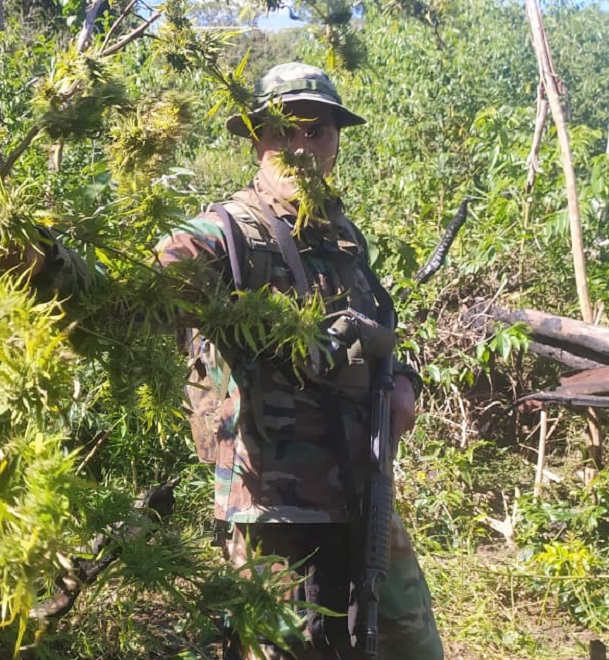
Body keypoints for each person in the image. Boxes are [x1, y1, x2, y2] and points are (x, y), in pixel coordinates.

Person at [27, 62, 443, 660]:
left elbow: (374, 325)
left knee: (406, 645)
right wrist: (45, 266)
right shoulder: (224, 233)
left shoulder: (341, 233)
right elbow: (133, 304)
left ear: (336, 141)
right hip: (273, 504)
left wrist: (403, 380)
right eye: (284, 131)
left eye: (317, 131)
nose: (301, 147)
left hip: (362, 486)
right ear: (257, 140)